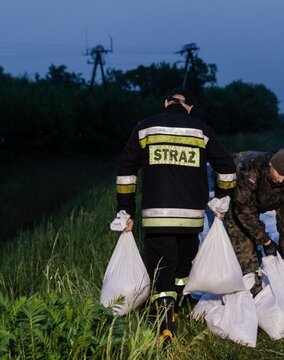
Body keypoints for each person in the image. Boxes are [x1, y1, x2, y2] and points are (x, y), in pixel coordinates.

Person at [114, 87, 236, 346]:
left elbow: (126, 171)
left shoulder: (145, 128)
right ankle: (177, 306)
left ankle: (165, 326)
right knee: (182, 268)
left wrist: (125, 210)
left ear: (166, 102)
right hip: (191, 219)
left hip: (157, 218)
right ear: (189, 107)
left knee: (162, 270)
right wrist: (221, 200)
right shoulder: (201, 130)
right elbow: (227, 167)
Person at [223, 148, 284, 295]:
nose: (281, 180)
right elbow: (243, 209)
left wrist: (283, 246)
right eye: (279, 174)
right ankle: (255, 294)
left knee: (256, 236)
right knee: (243, 243)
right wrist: (266, 241)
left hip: (254, 202)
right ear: (271, 164)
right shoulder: (251, 169)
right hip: (235, 196)